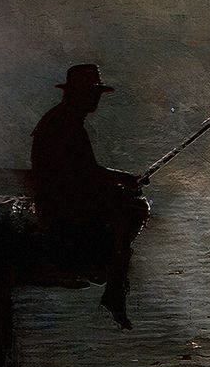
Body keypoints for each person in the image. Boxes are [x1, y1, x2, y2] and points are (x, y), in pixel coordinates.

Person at [30, 64, 148, 328]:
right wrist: (122, 181)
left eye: (96, 93)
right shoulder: (66, 125)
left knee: (126, 203)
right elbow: (82, 174)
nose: (95, 99)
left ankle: (113, 283)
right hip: (60, 205)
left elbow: (84, 172)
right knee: (134, 209)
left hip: (61, 197)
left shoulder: (62, 119)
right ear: (75, 94)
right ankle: (112, 284)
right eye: (90, 93)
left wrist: (120, 180)